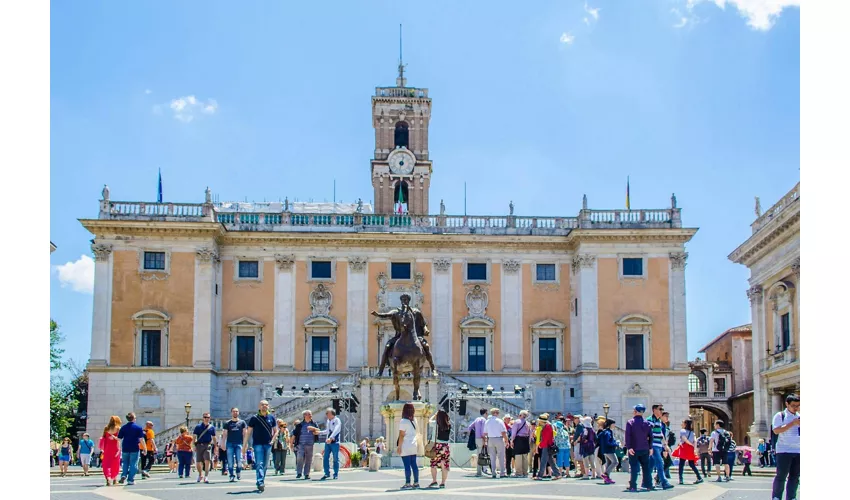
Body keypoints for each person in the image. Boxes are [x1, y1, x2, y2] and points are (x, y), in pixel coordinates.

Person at [373, 293, 436, 376]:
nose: (404, 301)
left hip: (416, 336)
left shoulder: (416, 312)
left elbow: (423, 324)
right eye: (403, 300)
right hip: (399, 336)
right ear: (401, 301)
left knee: (426, 346)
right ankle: (380, 371)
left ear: (409, 301)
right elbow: (387, 315)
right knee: (387, 346)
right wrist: (377, 314)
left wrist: (426, 329)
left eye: (406, 300)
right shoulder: (397, 312)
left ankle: (433, 368)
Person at [244, 400, 277, 492]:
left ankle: (261, 480)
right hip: (257, 444)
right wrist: (245, 445)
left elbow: (276, 430)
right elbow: (249, 432)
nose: (264, 406)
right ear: (259, 406)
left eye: (266, 405)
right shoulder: (254, 418)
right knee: (259, 463)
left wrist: (273, 440)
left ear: (268, 406)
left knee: (265, 465)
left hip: (268, 444)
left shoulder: (271, 417)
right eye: (262, 405)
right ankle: (260, 482)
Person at [771, 394, 800, 500]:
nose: (796, 408)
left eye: (798, 405)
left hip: (798, 450)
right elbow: (776, 430)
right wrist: (792, 423)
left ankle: (792, 497)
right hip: (784, 450)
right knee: (781, 476)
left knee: (795, 477)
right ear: (787, 404)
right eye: (793, 405)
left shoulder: (800, 416)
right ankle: (777, 497)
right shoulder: (780, 415)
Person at [625, 404, 653, 492]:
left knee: (634, 467)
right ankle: (649, 485)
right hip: (645, 448)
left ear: (635, 411)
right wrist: (650, 447)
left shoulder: (630, 422)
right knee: (646, 468)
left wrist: (629, 447)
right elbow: (651, 436)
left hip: (634, 448)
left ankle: (633, 485)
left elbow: (628, 436)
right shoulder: (647, 423)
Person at [647, 404, 673, 490]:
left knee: (651, 465)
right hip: (653, 445)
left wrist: (665, 445)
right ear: (654, 410)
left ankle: (645, 482)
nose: (661, 411)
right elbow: (648, 433)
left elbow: (661, 434)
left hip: (658, 445)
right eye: (660, 409)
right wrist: (650, 446)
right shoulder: (650, 420)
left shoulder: (658, 421)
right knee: (660, 463)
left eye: (662, 409)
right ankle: (664, 482)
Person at [313, 408, 342, 480]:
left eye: (327, 413)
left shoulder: (337, 420)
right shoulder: (328, 421)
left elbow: (336, 430)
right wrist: (319, 432)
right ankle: (327, 473)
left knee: (335, 458)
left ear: (332, 414)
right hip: (328, 442)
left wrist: (331, 438)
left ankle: (335, 473)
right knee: (325, 457)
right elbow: (327, 431)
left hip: (335, 442)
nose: (326, 415)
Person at [118, 412, 146, 485]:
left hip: (125, 447)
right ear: (133, 419)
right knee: (133, 464)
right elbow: (141, 439)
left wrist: (119, 448)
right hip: (134, 447)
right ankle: (130, 479)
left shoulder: (123, 427)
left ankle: (124, 475)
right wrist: (145, 448)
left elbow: (119, 439)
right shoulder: (138, 428)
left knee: (125, 463)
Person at [396, 403, 420, 489]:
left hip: (406, 445)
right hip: (414, 444)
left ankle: (407, 483)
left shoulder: (403, 421)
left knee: (407, 465)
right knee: (414, 464)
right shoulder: (415, 420)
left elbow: (401, 435)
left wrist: (399, 447)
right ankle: (416, 482)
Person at [672, 418, 703, 485]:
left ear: (685, 424)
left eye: (683, 422)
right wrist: (694, 448)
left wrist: (689, 444)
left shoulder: (682, 431)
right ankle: (699, 477)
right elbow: (695, 441)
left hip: (684, 448)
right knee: (691, 464)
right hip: (690, 448)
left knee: (681, 464)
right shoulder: (692, 432)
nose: (682, 424)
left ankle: (681, 479)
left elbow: (684, 439)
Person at [428, 409, 451, 488]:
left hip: (437, 446)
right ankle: (443, 483)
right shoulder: (448, 425)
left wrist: (434, 415)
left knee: (433, 464)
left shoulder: (435, 424)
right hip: (445, 446)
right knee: (444, 464)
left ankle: (434, 481)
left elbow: (429, 421)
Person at [292, 410, 319, 480]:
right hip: (301, 444)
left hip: (310, 444)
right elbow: (294, 435)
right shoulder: (300, 425)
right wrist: (291, 444)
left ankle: (307, 474)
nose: (311, 416)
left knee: (308, 459)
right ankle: (299, 472)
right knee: (300, 458)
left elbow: (318, 431)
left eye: (311, 414)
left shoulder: (314, 424)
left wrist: (314, 429)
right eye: (309, 414)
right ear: (305, 416)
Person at [222, 407, 247, 482]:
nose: (235, 413)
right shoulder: (227, 423)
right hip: (230, 444)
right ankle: (231, 475)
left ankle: (238, 472)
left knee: (239, 461)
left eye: (236, 411)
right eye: (233, 411)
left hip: (239, 443)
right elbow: (225, 434)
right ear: (231, 413)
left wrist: (246, 444)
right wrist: (223, 443)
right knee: (230, 461)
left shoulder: (242, 422)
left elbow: (244, 434)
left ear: (238, 413)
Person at [483, 408, 509, 479]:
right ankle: (502, 472)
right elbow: (503, 432)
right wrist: (507, 441)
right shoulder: (500, 421)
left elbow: (485, 433)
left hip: (490, 439)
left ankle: (493, 472)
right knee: (501, 456)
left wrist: (485, 441)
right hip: (499, 439)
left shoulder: (487, 421)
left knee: (492, 457)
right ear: (497, 413)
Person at [535, 413, 561, 481]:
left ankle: (540, 475)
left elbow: (545, 438)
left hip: (546, 445)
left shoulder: (547, 427)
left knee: (543, 461)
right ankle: (557, 474)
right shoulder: (547, 426)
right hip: (548, 445)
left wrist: (541, 445)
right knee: (551, 461)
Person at [193, 412, 216, 483]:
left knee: (207, 460)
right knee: (198, 462)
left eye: (208, 417)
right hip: (199, 445)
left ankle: (206, 476)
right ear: (203, 418)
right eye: (205, 417)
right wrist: (194, 445)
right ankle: (200, 474)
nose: (207, 419)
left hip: (208, 445)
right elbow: (194, 436)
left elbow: (214, 437)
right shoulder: (198, 427)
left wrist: (216, 446)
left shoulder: (212, 427)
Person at [100, 416, 122, 486]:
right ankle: (115, 479)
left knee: (106, 464)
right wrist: (115, 438)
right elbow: (119, 439)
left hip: (107, 448)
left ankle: (108, 478)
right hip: (116, 448)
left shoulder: (106, 428)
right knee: (115, 464)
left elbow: (103, 438)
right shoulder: (118, 429)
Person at [510, 410, 532, 478]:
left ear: (520, 415)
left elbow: (514, 432)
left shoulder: (517, 422)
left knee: (518, 456)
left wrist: (512, 440)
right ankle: (525, 472)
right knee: (525, 457)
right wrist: (529, 442)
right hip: (525, 440)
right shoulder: (528, 423)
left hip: (518, 439)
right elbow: (530, 433)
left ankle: (519, 473)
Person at [468, 408, 489, 477]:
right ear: (485, 413)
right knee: (482, 455)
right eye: (487, 413)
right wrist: (484, 439)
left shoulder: (477, 419)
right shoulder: (484, 420)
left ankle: (479, 471)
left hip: (476, 438)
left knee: (479, 454)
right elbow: (483, 431)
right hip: (481, 438)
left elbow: (470, 427)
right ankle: (481, 471)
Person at [597, 419, 618, 484]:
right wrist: (616, 444)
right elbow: (608, 442)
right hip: (609, 450)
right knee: (615, 462)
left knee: (609, 463)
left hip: (604, 450)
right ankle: (606, 474)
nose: (614, 425)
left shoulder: (603, 432)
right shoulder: (608, 432)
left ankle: (607, 479)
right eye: (613, 424)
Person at [579, 415, 599, 480]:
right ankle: (593, 474)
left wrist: (583, 440)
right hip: (592, 446)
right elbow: (596, 439)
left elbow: (583, 438)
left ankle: (587, 475)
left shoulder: (585, 429)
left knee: (586, 461)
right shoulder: (592, 430)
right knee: (592, 461)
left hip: (585, 447)